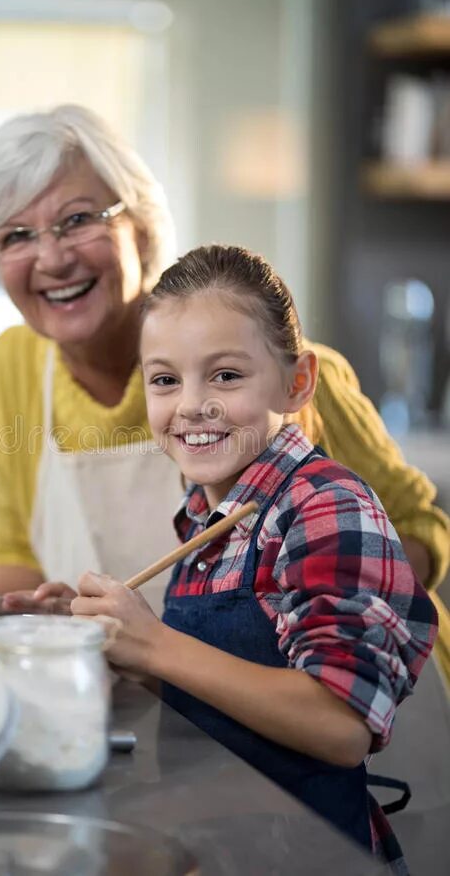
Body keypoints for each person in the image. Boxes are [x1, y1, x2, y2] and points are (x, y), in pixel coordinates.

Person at [0, 104, 450, 677]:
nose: (52, 258)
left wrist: (299, 594)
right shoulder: (10, 367)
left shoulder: (279, 384)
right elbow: (17, 552)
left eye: (78, 219)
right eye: (17, 236)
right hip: (165, 705)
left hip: (346, 701)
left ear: (143, 227)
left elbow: (418, 533)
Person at [63, 244, 438, 872]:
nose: (191, 405)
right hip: (221, 846)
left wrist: (155, 644)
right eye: (165, 380)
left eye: (226, 375)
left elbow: (340, 724)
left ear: (297, 383)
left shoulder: (324, 507)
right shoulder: (208, 515)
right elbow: (224, 688)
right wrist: (118, 644)